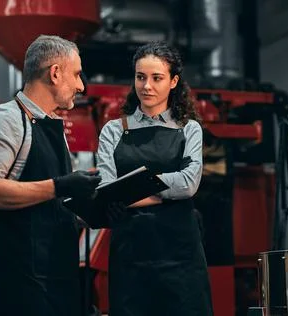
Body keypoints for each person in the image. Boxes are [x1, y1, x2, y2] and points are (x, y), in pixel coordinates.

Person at [0, 35, 101, 316]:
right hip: (22, 284)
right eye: (77, 74)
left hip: (59, 278)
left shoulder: (53, 126)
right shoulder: (5, 119)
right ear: (55, 73)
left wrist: (91, 212)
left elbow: (49, 206)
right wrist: (59, 186)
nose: (81, 85)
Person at [97, 41, 213, 316]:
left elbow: (188, 184)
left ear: (173, 81)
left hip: (180, 254)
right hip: (130, 254)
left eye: (156, 78)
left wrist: (130, 196)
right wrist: (160, 188)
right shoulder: (113, 130)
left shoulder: (189, 129)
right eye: (140, 77)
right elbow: (106, 189)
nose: (146, 86)